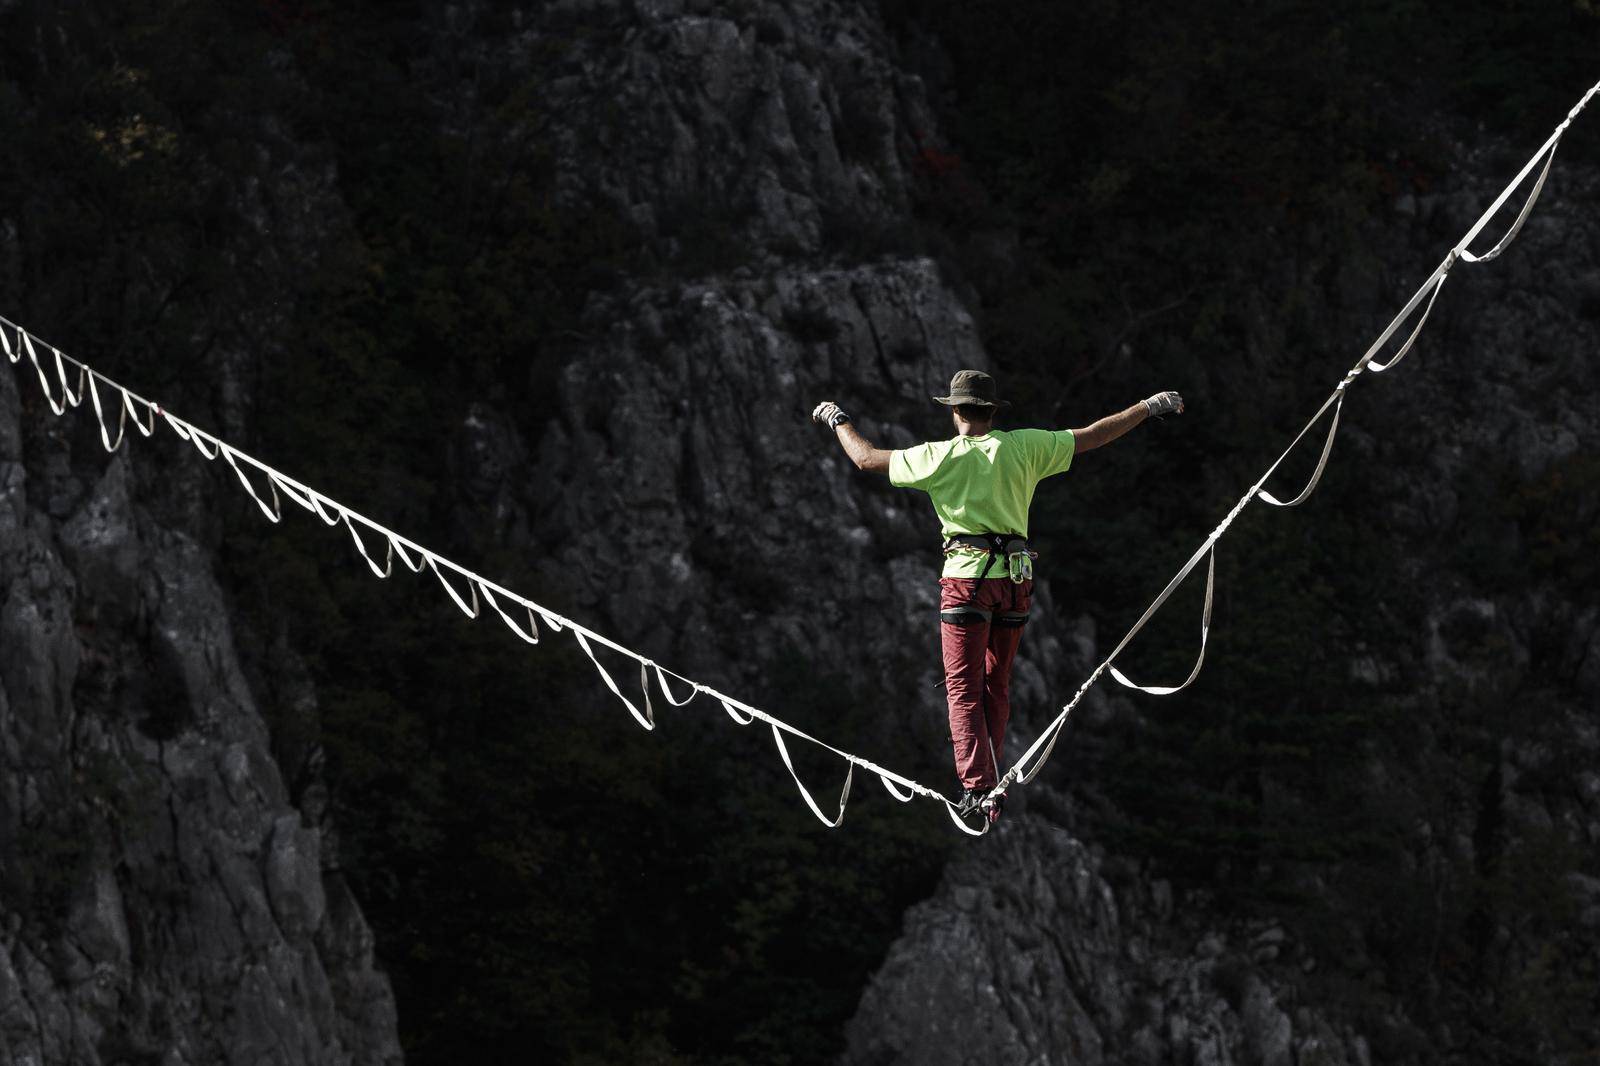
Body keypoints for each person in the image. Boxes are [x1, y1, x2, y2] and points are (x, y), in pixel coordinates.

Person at [811, 369, 1184, 824]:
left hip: (966, 580)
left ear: (954, 412)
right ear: (991, 411)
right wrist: (1149, 406)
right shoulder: (1024, 446)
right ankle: (991, 784)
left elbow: (866, 459)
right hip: (1015, 582)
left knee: (962, 688)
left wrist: (837, 418)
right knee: (996, 683)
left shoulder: (938, 457)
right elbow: (1092, 435)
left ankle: (978, 788)